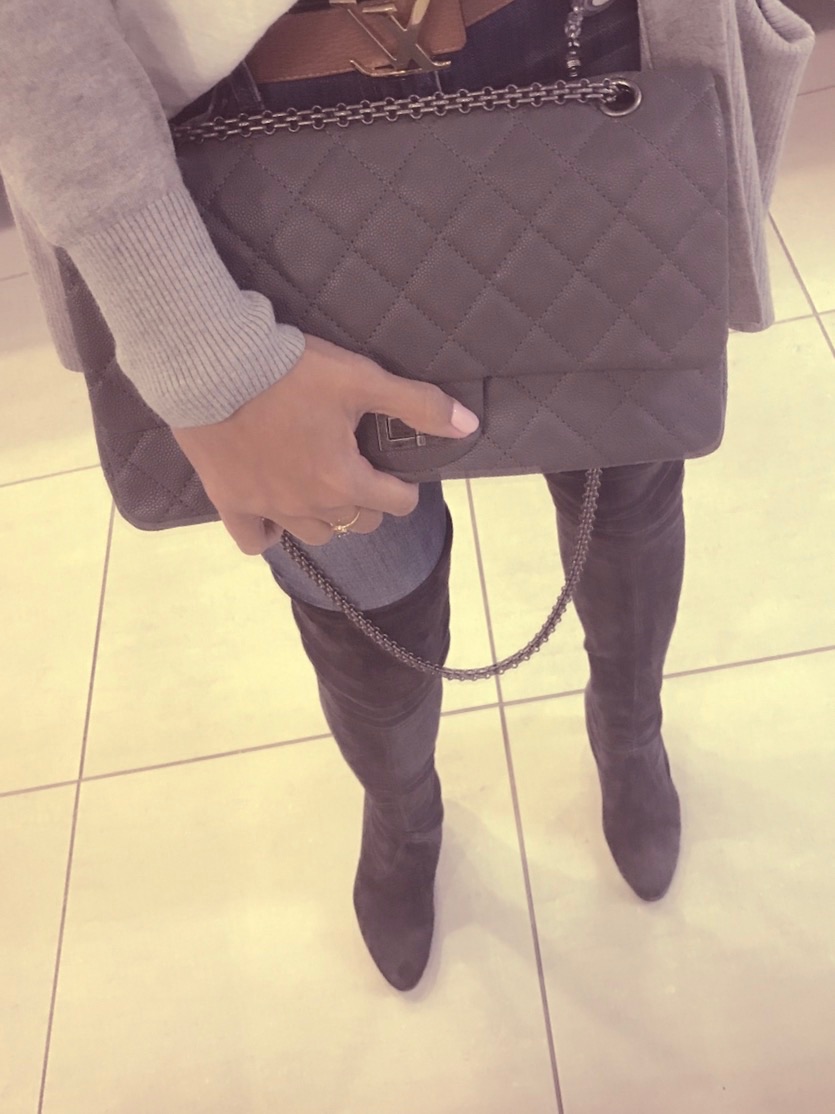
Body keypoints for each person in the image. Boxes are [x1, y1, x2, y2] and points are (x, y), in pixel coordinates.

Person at [0, 0, 814, 991]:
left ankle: (628, 727)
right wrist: (193, 342)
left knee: (626, 496)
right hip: (242, 104)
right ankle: (403, 810)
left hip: (574, 37)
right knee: (357, 576)